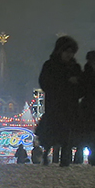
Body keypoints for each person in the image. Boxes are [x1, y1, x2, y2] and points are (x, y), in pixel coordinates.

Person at [38, 36, 82, 167]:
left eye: (71, 52)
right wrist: (66, 82)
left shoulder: (75, 67)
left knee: (68, 134)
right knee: (52, 131)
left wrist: (76, 85)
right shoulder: (50, 65)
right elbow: (45, 83)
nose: (69, 55)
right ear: (59, 51)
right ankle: (46, 154)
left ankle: (65, 159)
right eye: (66, 51)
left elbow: (82, 88)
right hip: (55, 105)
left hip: (70, 106)